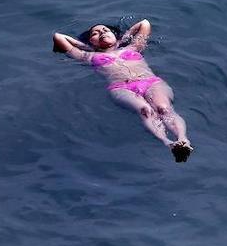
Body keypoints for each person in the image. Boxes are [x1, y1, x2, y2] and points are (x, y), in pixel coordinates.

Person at [52, 19, 194, 162]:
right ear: (91, 41)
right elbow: (58, 37)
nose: (102, 32)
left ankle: (183, 140)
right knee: (145, 110)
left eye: (105, 30)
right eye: (95, 33)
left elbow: (144, 24)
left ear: (115, 35)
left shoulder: (133, 47)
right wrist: (87, 47)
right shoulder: (88, 56)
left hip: (150, 82)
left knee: (164, 109)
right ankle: (167, 142)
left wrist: (122, 39)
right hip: (121, 87)